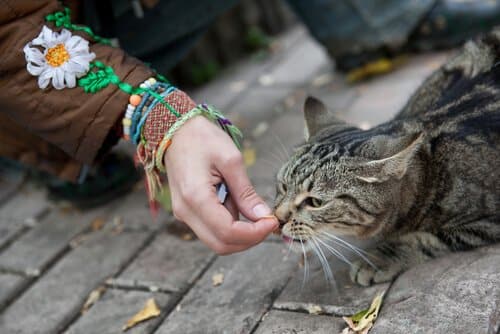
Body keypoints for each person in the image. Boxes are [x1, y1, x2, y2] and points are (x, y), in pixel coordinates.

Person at [2, 0, 500, 255]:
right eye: (286, 194)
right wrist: (156, 116)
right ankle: (60, 153)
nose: (280, 215)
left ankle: (369, 27)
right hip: (29, 77)